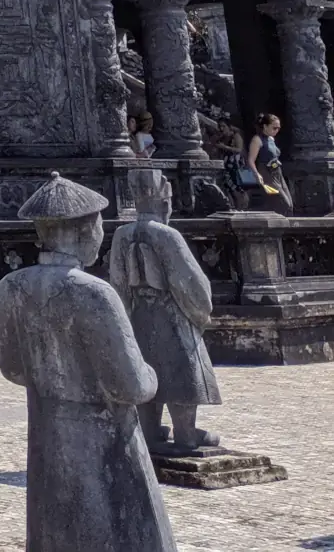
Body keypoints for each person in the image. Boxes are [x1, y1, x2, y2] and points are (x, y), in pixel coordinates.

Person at [0, 172, 176, 552]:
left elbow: (12, 368)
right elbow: (131, 385)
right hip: (107, 438)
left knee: (55, 529)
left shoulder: (11, 287)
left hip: (47, 433)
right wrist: (152, 376)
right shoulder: (94, 293)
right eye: (98, 226)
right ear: (84, 229)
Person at [108, 168, 221, 455]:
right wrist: (201, 313)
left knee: (146, 368)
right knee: (183, 371)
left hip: (138, 314)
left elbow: (117, 282)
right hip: (171, 313)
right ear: (164, 202)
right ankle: (186, 434)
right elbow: (189, 281)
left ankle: (149, 431)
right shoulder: (167, 235)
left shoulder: (122, 234)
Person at [244, 114, 292, 213]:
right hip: (266, 173)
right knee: (282, 202)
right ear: (265, 126)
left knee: (290, 204)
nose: (276, 131)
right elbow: (251, 160)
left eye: (278, 128)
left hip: (277, 172)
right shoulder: (257, 140)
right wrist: (256, 174)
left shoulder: (271, 139)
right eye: (274, 128)